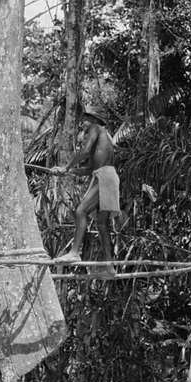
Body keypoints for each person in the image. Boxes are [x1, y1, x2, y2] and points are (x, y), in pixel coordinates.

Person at [52, 107, 119, 278]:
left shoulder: (96, 129)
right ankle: (110, 266)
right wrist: (67, 171)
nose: (82, 123)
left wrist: (67, 166)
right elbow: (89, 168)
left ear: (94, 120)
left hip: (103, 176)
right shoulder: (105, 137)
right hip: (109, 176)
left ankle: (74, 252)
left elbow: (85, 152)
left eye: (84, 119)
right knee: (102, 225)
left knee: (80, 211)